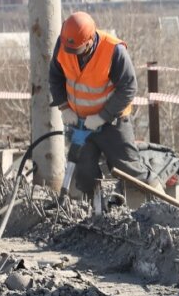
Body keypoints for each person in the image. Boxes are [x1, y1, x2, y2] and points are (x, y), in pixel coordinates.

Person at [49, 11, 155, 197]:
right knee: (84, 175)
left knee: (129, 169)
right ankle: (97, 215)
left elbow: (128, 88)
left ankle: (160, 201)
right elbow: (55, 77)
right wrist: (64, 107)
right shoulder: (64, 44)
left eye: (78, 50)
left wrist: (102, 116)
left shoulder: (114, 50)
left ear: (90, 40)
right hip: (79, 122)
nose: (73, 54)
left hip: (112, 122)